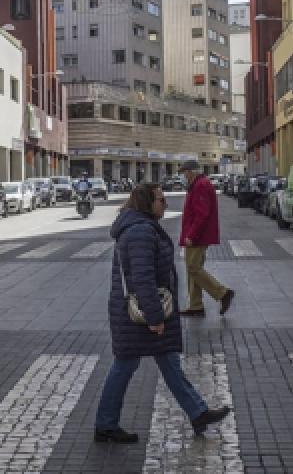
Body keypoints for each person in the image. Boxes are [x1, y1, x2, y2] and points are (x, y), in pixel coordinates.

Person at [94, 183, 231, 444]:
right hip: (141, 315)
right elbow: (142, 279)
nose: (165, 204)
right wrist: (155, 318)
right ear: (147, 203)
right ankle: (105, 424)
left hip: (141, 311)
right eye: (160, 200)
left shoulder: (141, 227)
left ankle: (197, 412)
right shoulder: (140, 232)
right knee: (126, 364)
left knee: (166, 361)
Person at [178, 161, 234, 317]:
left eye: (185, 173)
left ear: (192, 172)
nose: (184, 176)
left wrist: (191, 235)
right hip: (197, 235)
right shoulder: (198, 183)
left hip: (197, 236)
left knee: (192, 267)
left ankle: (222, 293)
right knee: (193, 269)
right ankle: (196, 305)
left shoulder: (201, 185)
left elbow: (202, 214)